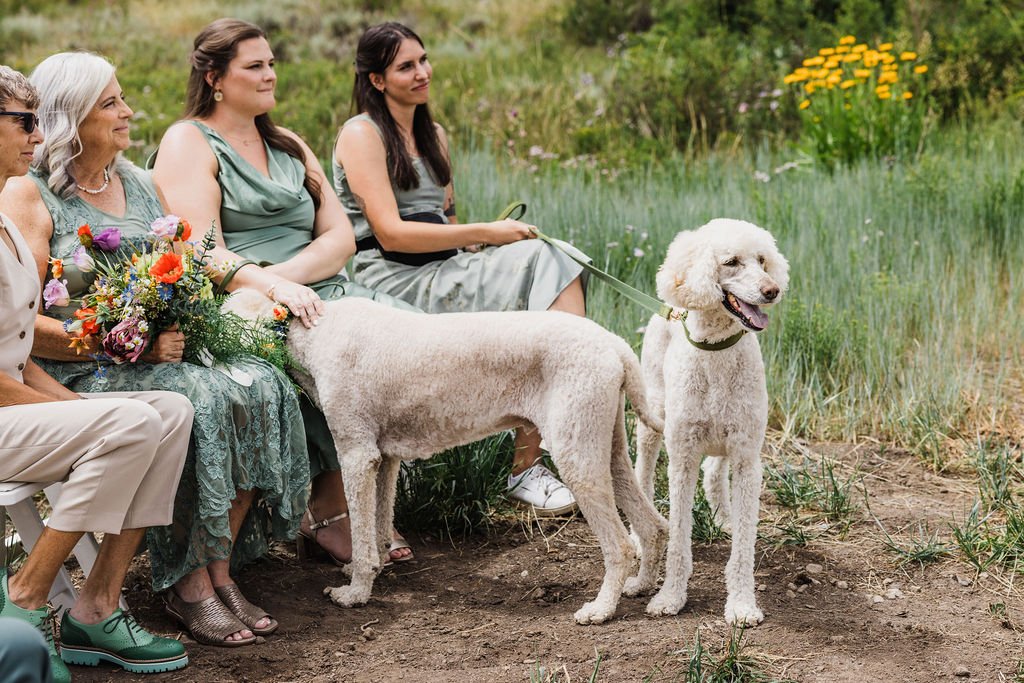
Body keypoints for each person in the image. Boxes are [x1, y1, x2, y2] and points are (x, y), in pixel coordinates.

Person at [0, 52, 309, 648]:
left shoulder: (138, 182)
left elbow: (190, 257)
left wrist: (257, 285)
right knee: (197, 397)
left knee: (257, 380)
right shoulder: (27, 199)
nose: (128, 112)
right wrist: (119, 340)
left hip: (123, 363)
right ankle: (182, 579)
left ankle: (218, 569)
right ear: (74, 116)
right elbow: (23, 327)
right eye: (111, 102)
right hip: (85, 366)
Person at [152, 18, 418, 568]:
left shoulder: (289, 143)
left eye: (271, 62)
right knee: (329, 353)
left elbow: (340, 237)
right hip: (244, 294)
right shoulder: (188, 141)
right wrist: (276, 285)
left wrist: (294, 276)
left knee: (404, 338)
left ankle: (368, 499)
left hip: (316, 283)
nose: (270, 74)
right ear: (214, 77)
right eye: (255, 66)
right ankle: (324, 511)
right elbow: (206, 254)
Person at [334, 22, 589, 516]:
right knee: (546, 262)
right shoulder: (361, 134)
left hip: (446, 267)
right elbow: (390, 233)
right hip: (392, 273)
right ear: (377, 80)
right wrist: (486, 233)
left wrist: (484, 248)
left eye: (424, 60)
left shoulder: (435, 135)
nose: (423, 72)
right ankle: (548, 439)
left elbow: (445, 222)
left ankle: (548, 432)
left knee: (560, 258)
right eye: (406, 66)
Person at [0, 64, 191, 678]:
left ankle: (96, 606)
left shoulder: (5, 220)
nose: (37, 133)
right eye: (24, 121)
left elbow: (19, 351)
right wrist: (80, 413)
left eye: (38, 119)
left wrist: (75, 408)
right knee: (131, 422)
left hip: (17, 405)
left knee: (171, 411)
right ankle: (26, 597)